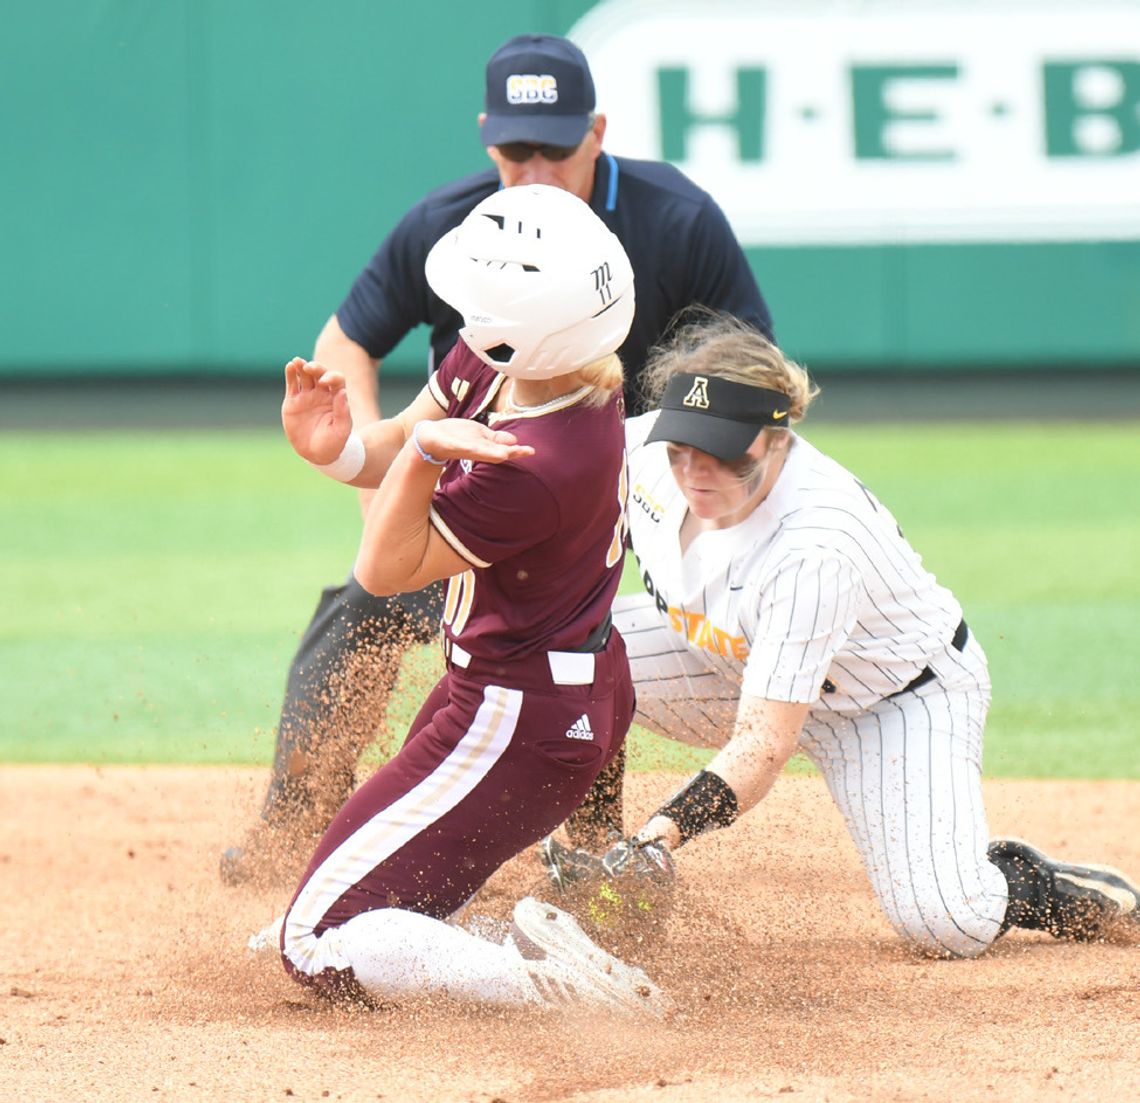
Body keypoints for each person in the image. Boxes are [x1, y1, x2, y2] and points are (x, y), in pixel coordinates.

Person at [221, 32, 774, 883]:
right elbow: (346, 342)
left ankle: (591, 857)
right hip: (484, 490)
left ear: (598, 131)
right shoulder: (459, 225)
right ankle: (290, 836)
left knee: (583, 638)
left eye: (557, 146)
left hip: (620, 499)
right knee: (361, 611)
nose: (538, 168)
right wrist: (378, 484)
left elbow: (747, 366)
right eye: (517, 149)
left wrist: (680, 489)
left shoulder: (674, 217)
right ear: (487, 136)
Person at [540, 314, 1140, 958]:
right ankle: (593, 854)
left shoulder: (816, 542)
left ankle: (1029, 883)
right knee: (566, 656)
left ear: (778, 438)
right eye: (684, 447)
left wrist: (658, 838)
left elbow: (765, 743)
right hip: (728, 663)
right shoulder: (639, 456)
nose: (696, 471)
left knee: (946, 924)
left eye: (723, 453)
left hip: (888, 703)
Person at [251, 184, 670, 1015]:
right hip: (531, 695)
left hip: (518, 718)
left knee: (308, 945)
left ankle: (541, 981)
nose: (468, 314)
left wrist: (420, 461)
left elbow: (383, 567)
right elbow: (405, 432)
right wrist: (341, 454)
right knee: (333, 916)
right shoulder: (529, 359)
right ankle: (516, 943)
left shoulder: (542, 459)